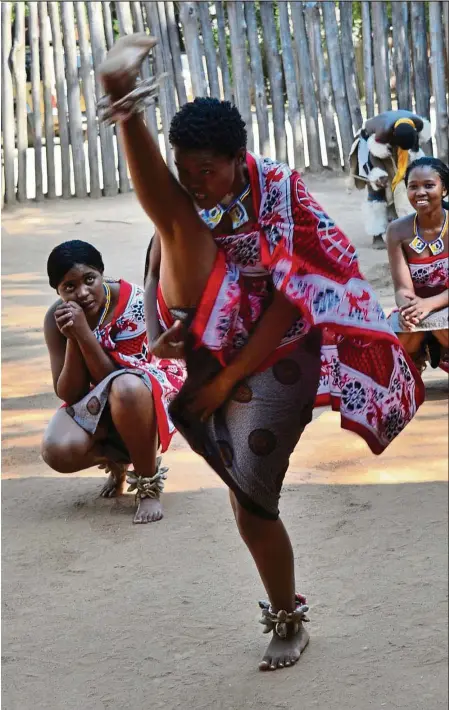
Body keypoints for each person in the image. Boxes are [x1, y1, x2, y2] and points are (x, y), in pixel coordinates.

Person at [98, 34, 424, 671]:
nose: (196, 183)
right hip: (204, 341)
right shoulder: (189, 209)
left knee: (252, 505)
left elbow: (289, 304)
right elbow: (164, 244)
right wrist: (166, 323)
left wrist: (224, 384)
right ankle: (124, 106)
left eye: (207, 171)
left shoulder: (277, 192)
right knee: (178, 223)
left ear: (237, 158)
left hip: (278, 353)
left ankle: (287, 619)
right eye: (184, 172)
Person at [41, 239, 185, 524]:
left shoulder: (133, 305)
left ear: (102, 273)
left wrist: (85, 335)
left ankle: (147, 483)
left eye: (89, 279)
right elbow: (70, 393)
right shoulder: (57, 319)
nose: (82, 293)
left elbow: (119, 379)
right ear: (58, 291)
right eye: (69, 287)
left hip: (147, 391)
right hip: (100, 398)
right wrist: (74, 339)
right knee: (57, 450)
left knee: (126, 388)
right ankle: (120, 461)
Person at [386, 157, 449, 373]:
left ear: (444, 190)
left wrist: (428, 305)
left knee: (444, 326)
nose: (420, 192)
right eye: (413, 187)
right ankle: (413, 366)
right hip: (419, 307)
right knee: (401, 332)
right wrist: (408, 309)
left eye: (429, 185)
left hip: (440, 305)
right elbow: (402, 288)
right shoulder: (397, 231)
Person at [349, 109, 432, 249]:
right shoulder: (382, 133)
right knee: (378, 190)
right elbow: (371, 158)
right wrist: (377, 175)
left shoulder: (418, 125)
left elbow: (416, 152)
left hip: (399, 137)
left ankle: (406, 228)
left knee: (406, 185)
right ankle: (376, 234)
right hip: (369, 140)